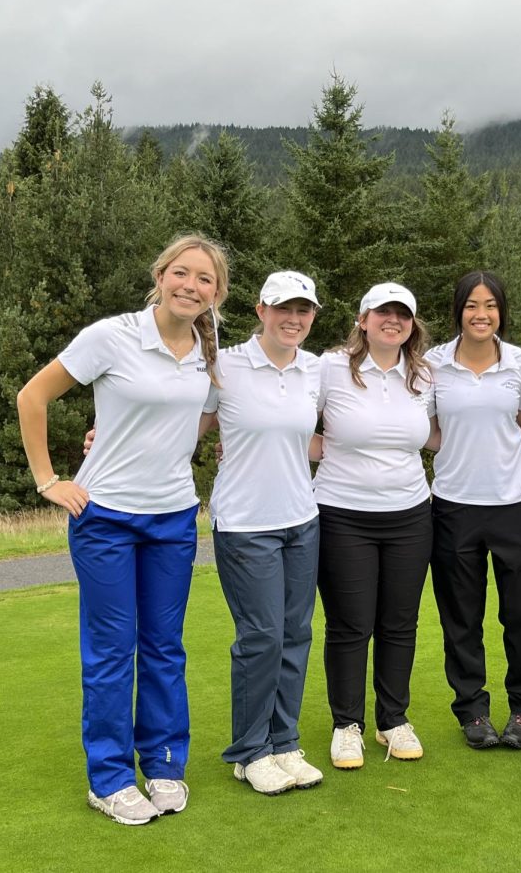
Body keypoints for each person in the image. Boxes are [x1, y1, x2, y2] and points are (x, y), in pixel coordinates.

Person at [17, 233, 227, 825]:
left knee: (164, 648)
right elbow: (32, 397)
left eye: (204, 279)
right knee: (112, 650)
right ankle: (108, 778)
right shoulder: (111, 336)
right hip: (104, 517)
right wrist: (47, 480)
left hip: (174, 517)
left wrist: (114, 434)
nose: (191, 285)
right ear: (160, 276)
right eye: (181, 273)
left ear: (216, 293)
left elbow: (195, 422)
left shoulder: (209, 355)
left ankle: (162, 762)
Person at [205, 271, 326, 795]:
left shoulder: (316, 370)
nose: (293, 319)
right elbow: (185, 425)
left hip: (302, 518)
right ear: (260, 310)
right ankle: (249, 751)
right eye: (283, 309)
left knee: (296, 634)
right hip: (244, 524)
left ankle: (284, 741)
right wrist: (105, 435)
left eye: (303, 311)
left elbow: (317, 436)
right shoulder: (225, 365)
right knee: (262, 637)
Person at [425, 271, 521, 750]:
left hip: (515, 502)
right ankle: (472, 710)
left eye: (491, 305)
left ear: (502, 311)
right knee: (462, 617)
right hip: (454, 506)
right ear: (458, 310)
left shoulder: (519, 362)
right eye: (472, 305)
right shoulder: (434, 364)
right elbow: (427, 430)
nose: (482, 314)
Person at [313, 283, 437, 769]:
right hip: (342, 514)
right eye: (382, 312)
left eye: (402, 314)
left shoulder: (425, 374)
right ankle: (347, 725)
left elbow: (436, 436)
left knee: (399, 623)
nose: (393, 320)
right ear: (362, 319)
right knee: (350, 624)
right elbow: (288, 420)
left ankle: (393, 719)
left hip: (410, 513)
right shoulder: (329, 367)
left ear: (412, 324)